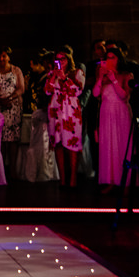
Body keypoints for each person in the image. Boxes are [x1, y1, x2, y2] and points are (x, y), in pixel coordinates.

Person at [45, 46, 86, 186]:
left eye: (63, 59)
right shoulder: (52, 74)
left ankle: (73, 179)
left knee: (72, 144)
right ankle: (63, 179)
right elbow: (47, 91)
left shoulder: (77, 72)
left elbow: (78, 90)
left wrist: (64, 77)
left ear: (68, 59)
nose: (60, 61)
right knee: (58, 144)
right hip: (56, 111)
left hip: (70, 112)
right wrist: (54, 76)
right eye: (57, 59)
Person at [94, 45, 133, 189]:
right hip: (106, 112)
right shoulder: (102, 74)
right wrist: (100, 78)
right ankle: (110, 180)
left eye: (112, 57)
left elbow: (124, 96)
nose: (109, 60)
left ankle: (125, 183)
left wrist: (113, 79)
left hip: (120, 112)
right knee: (108, 146)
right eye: (107, 58)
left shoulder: (125, 74)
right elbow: (95, 94)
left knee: (121, 146)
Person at [0, 47, 26, 170]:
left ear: (8, 56)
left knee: (13, 139)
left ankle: (13, 168)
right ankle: (0, 169)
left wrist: (10, 99)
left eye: (3, 56)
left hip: (13, 108)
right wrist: (0, 99)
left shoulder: (16, 70)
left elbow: (21, 88)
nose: (1, 58)